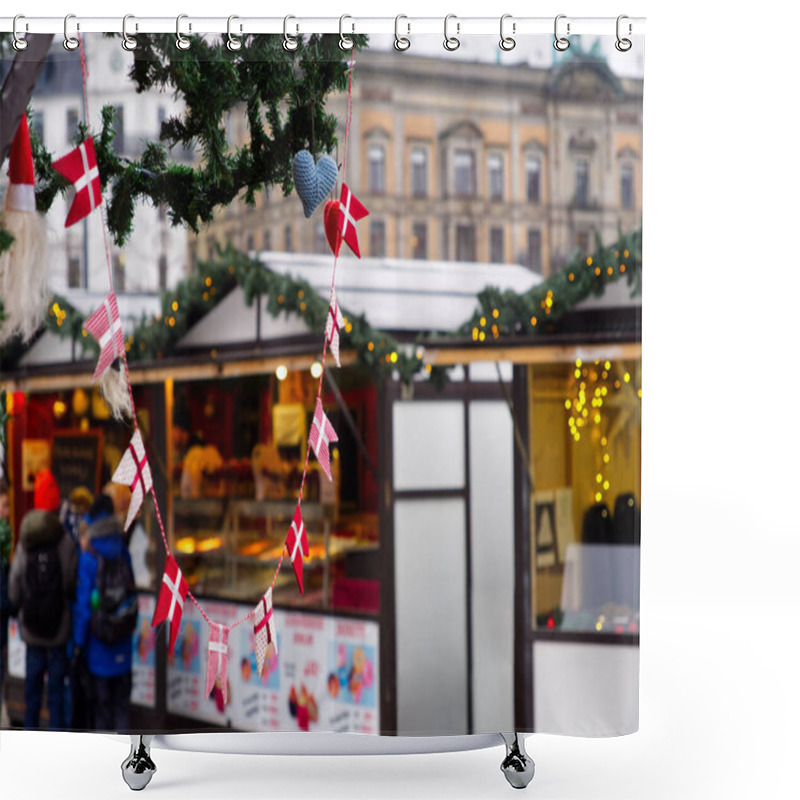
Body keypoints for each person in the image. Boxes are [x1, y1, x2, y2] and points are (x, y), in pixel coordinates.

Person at [8, 469, 78, 729]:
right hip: (58, 628)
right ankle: (57, 743)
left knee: (32, 691)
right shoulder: (65, 541)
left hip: (32, 628)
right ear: (56, 500)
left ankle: (29, 738)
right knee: (57, 693)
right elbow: (71, 583)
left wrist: (18, 609)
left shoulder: (26, 539)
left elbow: (15, 581)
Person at [73, 493, 137, 731]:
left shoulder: (89, 557)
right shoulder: (123, 549)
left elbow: (84, 607)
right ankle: (128, 763)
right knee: (122, 711)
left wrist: (78, 643)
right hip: (123, 646)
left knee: (102, 714)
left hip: (98, 650)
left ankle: (107, 766)